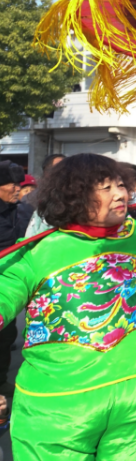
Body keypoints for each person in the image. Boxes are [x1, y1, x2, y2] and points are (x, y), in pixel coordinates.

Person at [0, 153, 136, 461]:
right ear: (73, 195)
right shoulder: (40, 251)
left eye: (121, 185)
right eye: (105, 187)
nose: (120, 194)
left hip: (135, 408)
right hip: (58, 413)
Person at [0, 161, 34, 400]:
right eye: (12, 184)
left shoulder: (24, 212)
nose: (17, 189)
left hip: (12, 283)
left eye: (18, 184)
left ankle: (1, 380)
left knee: (8, 334)